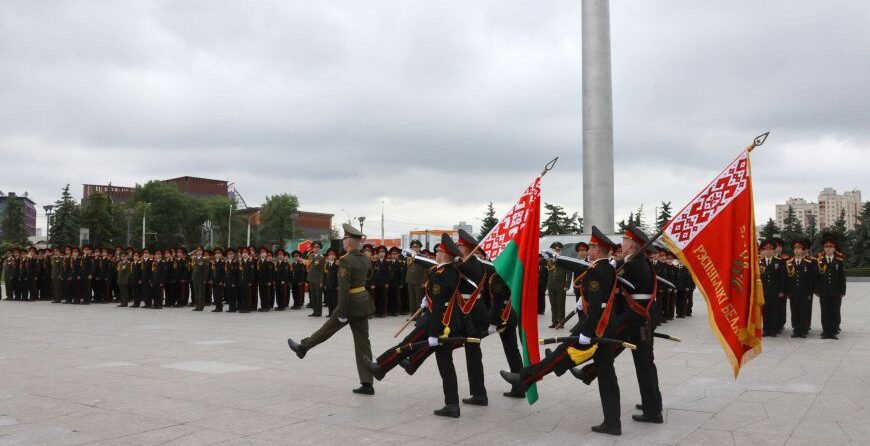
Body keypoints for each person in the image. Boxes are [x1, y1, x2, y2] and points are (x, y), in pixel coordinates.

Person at [288, 224, 376, 395]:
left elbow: (343, 289)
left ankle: (303, 348)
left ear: (349, 242)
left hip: (349, 304)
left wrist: (342, 311)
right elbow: (365, 279)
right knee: (363, 343)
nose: (343, 242)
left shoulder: (345, 260)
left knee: (326, 330)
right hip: (362, 302)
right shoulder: (365, 258)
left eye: (344, 239)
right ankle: (367, 383)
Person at [455, 229, 523, 399]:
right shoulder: (502, 272)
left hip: (502, 317)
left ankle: (479, 393)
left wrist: (492, 323)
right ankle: (520, 387)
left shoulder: (498, 275)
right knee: (512, 350)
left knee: (473, 346)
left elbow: (498, 301)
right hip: (508, 315)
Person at [619, 226, 663, 425]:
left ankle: (652, 411)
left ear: (631, 246)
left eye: (624, 241)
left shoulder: (633, 263)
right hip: (644, 317)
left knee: (644, 364)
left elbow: (612, 279)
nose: (621, 245)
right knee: (647, 362)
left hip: (639, 320)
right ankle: (652, 402)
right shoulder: (640, 261)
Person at [816, 234, 846, 339]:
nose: (828, 249)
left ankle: (833, 331)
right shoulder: (820, 260)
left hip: (836, 291)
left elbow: (842, 277)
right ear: (824, 248)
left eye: (830, 247)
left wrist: (843, 291)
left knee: (834, 311)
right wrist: (817, 290)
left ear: (834, 249)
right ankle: (825, 331)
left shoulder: (839, 261)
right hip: (823, 291)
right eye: (826, 247)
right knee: (825, 312)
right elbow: (817, 277)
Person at [785, 239, 816, 338]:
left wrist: (809, 293)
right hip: (793, 292)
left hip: (804, 292)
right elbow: (786, 279)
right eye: (795, 249)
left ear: (803, 250)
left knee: (804, 311)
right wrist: (788, 292)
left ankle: (803, 330)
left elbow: (811, 280)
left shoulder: (808, 263)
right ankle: (796, 329)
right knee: (794, 311)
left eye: (799, 249)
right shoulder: (789, 263)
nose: (797, 250)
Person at [759, 240, 787, 336]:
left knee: (774, 310)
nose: (768, 251)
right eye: (766, 250)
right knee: (765, 311)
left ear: (773, 251)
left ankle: (774, 330)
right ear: (763, 251)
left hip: (775, 292)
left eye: (770, 250)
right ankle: (766, 329)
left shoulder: (779, 262)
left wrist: (782, 290)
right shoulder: (759, 263)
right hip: (763, 291)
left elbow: (783, 278)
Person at [546, 242, 570, 328]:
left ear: (561, 250)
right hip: (551, 285)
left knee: (561, 304)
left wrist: (567, 285)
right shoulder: (549, 260)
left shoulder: (564, 260)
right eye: (554, 250)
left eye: (558, 250)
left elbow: (569, 273)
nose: (556, 251)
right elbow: (546, 272)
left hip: (561, 285)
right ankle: (554, 321)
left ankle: (561, 322)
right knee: (553, 304)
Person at [405, 239, 427, 310]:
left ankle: (418, 315)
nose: (415, 249)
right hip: (410, 280)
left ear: (420, 248)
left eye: (417, 247)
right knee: (411, 299)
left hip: (419, 281)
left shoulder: (423, 257)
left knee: (418, 299)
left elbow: (425, 270)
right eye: (413, 247)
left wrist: (424, 282)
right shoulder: (409, 257)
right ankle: (412, 314)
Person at [306, 241, 325, 315]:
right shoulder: (311, 255)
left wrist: (321, 281)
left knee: (318, 296)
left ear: (319, 249)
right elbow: (309, 266)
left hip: (318, 280)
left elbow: (322, 271)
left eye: (317, 248)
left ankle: (319, 312)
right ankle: (314, 311)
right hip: (311, 279)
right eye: (314, 248)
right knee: (312, 296)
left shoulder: (321, 257)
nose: (316, 249)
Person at [256, 247, 275, 312]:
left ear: (266, 254)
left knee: (266, 294)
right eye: (261, 253)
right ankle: (263, 306)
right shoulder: (259, 262)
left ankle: (267, 307)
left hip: (266, 281)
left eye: (264, 253)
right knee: (261, 294)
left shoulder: (268, 262)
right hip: (260, 281)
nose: (262, 254)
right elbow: (257, 272)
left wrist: (270, 281)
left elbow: (270, 272)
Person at [191, 247, 209, 311]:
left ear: (202, 252)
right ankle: (197, 306)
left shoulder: (204, 259)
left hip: (201, 279)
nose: (198, 252)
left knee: (201, 293)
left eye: (200, 251)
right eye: (197, 251)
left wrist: (205, 279)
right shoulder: (194, 259)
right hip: (195, 278)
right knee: (196, 293)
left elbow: (206, 270)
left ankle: (201, 306)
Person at [323, 248, 339, 316]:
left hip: (335, 285)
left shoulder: (337, 264)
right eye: (330, 255)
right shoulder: (326, 264)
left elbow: (339, 276)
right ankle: (330, 313)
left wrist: (338, 285)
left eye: (333, 255)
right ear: (328, 256)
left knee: (334, 300)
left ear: (335, 256)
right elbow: (325, 275)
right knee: (329, 300)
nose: (331, 256)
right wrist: (324, 283)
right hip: (328, 285)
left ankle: (334, 314)